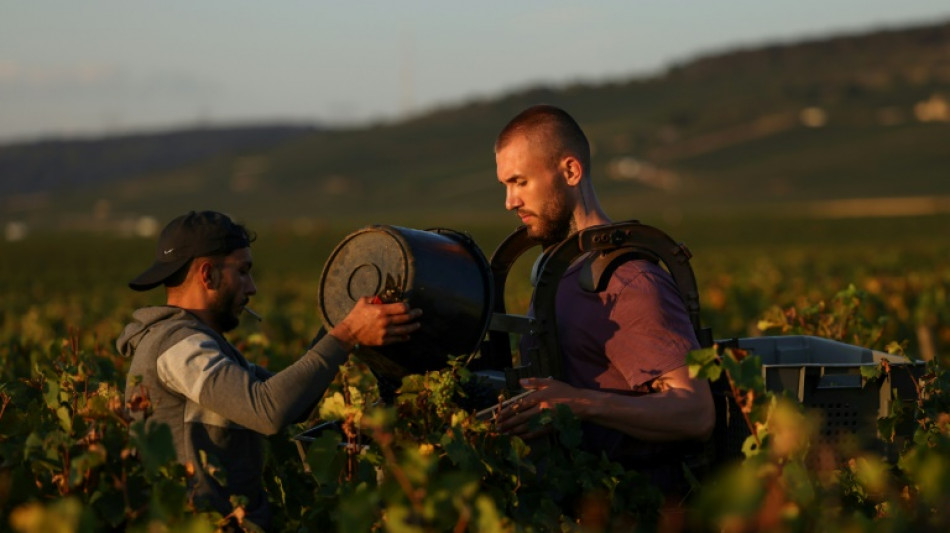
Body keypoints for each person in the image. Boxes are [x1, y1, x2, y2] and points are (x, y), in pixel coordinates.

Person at [116, 210, 421, 529]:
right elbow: (267, 410)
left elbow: (293, 403)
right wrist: (346, 335)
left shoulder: (201, 342)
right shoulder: (178, 346)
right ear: (208, 275)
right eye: (243, 271)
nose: (252, 288)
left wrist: (340, 323)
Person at [492, 105, 715, 499]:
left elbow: (695, 411)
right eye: (505, 186)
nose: (510, 201)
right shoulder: (558, 271)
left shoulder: (629, 280)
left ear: (571, 172)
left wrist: (578, 403)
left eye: (520, 182)